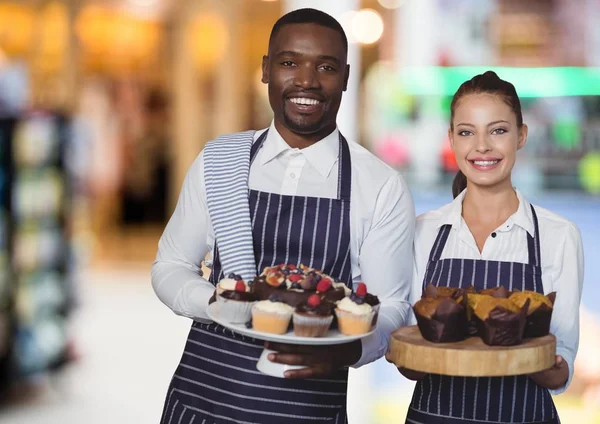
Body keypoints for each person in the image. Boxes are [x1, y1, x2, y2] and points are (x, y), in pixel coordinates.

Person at [152, 8, 415, 424]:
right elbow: (169, 266)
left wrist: (348, 350)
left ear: (345, 77)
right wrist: (220, 304)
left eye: (325, 67)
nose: (307, 81)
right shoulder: (220, 160)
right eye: (290, 62)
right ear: (266, 70)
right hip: (202, 401)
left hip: (306, 409)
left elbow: (395, 306)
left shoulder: (380, 185)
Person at [392, 71, 584, 424]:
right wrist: (407, 357)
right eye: (467, 132)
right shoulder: (423, 232)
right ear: (451, 139)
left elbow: (564, 357)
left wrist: (547, 366)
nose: (482, 146)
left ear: (521, 136)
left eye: (498, 130)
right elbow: (412, 352)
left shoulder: (559, 236)